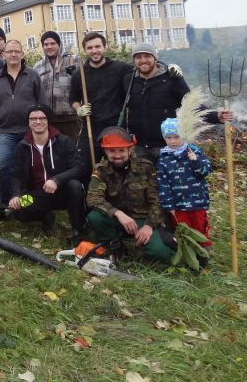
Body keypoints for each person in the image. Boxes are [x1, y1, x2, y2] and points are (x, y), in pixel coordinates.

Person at [123, 42, 231, 159]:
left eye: (147, 56)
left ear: (155, 59)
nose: (143, 60)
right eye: (138, 57)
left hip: (168, 145)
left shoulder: (171, 78)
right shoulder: (129, 80)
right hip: (139, 146)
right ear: (134, 60)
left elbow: (191, 104)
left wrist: (216, 116)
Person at [86, 126, 174, 263]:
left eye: (121, 150)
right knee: (95, 217)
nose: (117, 156)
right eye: (112, 151)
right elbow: (93, 198)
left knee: (161, 253)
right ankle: (115, 246)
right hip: (118, 219)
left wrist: (149, 226)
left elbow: (159, 200)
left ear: (130, 149)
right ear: (106, 151)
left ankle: (147, 243)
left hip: (143, 218)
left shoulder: (145, 167)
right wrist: (118, 214)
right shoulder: (101, 170)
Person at [8, 104, 86, 247]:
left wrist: (57, 180)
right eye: (33, 119)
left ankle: (77, 230)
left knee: (74, 186)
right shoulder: (22, 146)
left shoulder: (63, 141)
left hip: (61, 191)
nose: (38, 122)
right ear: (29, 122)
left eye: (42, 118)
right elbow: (16, 175)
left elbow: (79, 168)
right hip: (37, 194)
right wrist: (15, 195)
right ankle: (46, 216)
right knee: (19, 209)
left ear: (48, 120)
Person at [69, 32, 134, 180]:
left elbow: (142, 67)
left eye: (98, 46)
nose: (94, 50)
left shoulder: (120, 68)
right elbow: (72, 99)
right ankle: (90, 199)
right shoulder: (79, 74)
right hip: (91, 127)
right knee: (86, 168)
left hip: (116, 127)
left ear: (105, 47)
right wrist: (79, 109)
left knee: (118, 168)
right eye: (90, 47)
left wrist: (163, 67)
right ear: (85, 50)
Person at [0, 39, 41, 208]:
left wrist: (41, 128)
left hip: (29, 130)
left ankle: (28, 202)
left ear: (22, 54)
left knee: (30, 167)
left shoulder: (32, 75)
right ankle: (4, 204)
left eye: (17, 51)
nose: (13, 54)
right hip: (5, 131)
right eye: (10, 51)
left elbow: (42, 103)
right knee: (2, 166)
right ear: (3, 55)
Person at [156, 118, 213, 249]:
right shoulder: (164, 158)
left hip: (197, 201)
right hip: (178, 204)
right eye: (168, 137)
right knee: (182, 229)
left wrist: (196, 161)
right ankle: (186, 251)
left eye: (176, 137)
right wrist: (168, 204)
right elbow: (163, 183)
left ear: (183, 135)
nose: (173, 141)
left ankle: (203, 251)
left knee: (200, 226)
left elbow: (205, 171)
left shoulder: (193, 152)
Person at [32, 31, 81, 141]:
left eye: (53, 43)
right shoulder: (38, 67)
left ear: (59, 44)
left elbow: (83, 85)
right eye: (46, 44)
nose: (49, 47)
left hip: (70, 118)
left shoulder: (74, 61)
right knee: (52, 153)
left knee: (72, 152)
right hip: (47, 119)